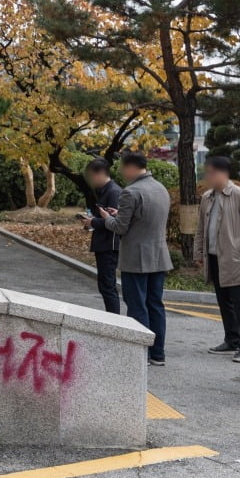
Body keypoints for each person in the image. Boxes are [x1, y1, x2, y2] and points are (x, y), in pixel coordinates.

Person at [98, 151, 172, 366]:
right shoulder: (160, 188)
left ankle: (141, 353)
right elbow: (144, 219)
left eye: (122, 168)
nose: (121, 172)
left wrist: (108, 218)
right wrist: (120, 213)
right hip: (158, 255)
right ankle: (158, 353)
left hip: (136, 257)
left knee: (137, 305)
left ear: (131, 167)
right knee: (156, 304)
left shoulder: (131, 192)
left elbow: (120, 227)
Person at [194, 156, 240, 363]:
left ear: (223, 173)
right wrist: (198, 253)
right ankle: (232, 339)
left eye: (212, 172)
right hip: (214, 257)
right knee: (224, 302)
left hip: (235, 259)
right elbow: (200, 228)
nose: (208, 176)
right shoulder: (207, 197)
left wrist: (239, 247)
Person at [82, 157, 122, 314]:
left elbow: (114, 222)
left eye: (92, 176)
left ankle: (114, 320)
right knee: (105, 285)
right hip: (103, 244)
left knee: (108, 286)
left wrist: (93, 223)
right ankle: (112, 318)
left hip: (109, 245)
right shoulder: (105, 191)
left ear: (99, 174)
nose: (91, 180)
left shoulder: (114, 192)